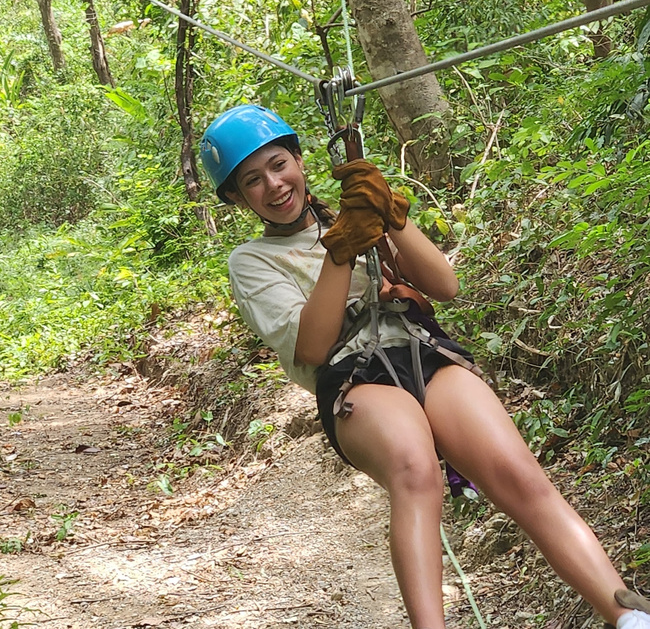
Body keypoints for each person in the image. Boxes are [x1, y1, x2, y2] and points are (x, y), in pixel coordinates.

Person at [200, 104, 650, 629]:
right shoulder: (253, 261)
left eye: (279, 165)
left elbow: (445, 286)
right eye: (253, 180)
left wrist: (392, 215)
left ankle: (625, 616)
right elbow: (315, 347)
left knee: (517, 473)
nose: (274, 185)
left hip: (420, 348)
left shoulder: (356, 214)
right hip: (352, 377)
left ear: (299, 160)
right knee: (416, 472)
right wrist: (340, 250)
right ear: (236, 197)